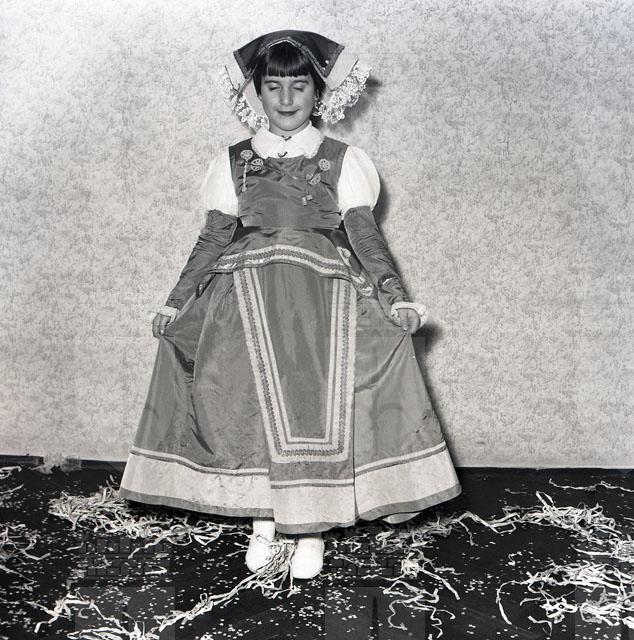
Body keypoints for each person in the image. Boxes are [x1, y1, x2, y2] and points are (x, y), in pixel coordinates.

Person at [118, 30, 462, 580]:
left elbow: (365, 237)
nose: (285, 99)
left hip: (320, 300)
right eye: (273, 86)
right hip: (244, 297)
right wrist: (175, 302)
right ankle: (263, 519)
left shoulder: (342, 160)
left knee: (313, 404)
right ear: (256, 92)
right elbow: (213, 238)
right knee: (246, 400)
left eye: (298, 86)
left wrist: (395, 297)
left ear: (317, 93)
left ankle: (310, 528)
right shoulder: (233, 162)